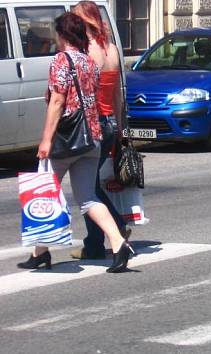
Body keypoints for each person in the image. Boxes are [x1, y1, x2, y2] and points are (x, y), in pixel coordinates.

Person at [17, 12, 133, 273]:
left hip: (65, 141)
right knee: (88, 198)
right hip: (91, 139)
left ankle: (41, 252)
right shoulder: (89, 62)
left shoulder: (61, 61)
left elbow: (58, 103)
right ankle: (117, 243)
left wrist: (46, 140)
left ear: (63, 34)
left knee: (45, 194)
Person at [69, 0, 129, 260]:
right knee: (91, 185)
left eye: (76, 19)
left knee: (87, 190)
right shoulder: (112, 49)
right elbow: (117, 96)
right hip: (109, 123)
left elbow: (86, 94)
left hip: (92, 123)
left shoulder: (87, 52)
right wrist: (119, 128)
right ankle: (99, 239)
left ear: (85, 21)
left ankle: (103, 239)